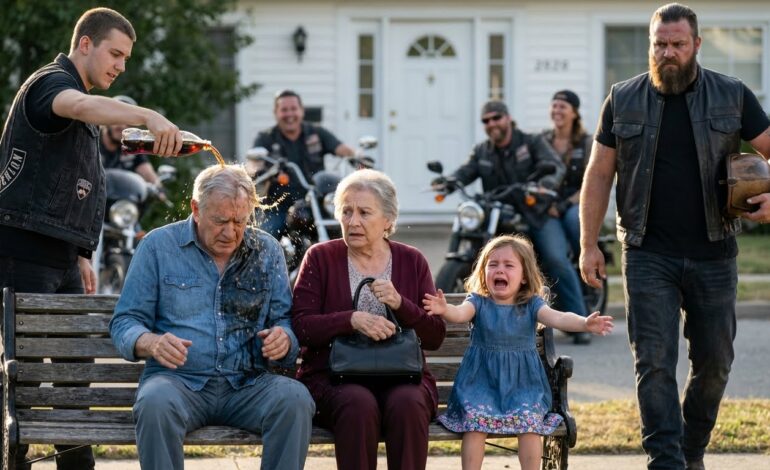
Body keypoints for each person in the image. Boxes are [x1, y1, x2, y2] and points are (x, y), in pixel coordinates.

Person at [579, 3, 770, 469]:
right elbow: (599, 174)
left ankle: (690, 450)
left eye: (678, 44)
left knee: (715, 364)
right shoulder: (622, 98)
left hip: (715, 251)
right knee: (654, 363)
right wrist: (588, 244)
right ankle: (665, 462)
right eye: (659, 44)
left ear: (696, 45)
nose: (668, 53)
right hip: (647, 253)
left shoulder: (732, 94)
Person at [0, 8, 183, 470]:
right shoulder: (51, 83)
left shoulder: (80, 94)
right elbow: (79, 107)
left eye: (126, 58)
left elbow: (69, 178)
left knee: (72, 378)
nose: (120, 65)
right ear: (85, 44)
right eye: (115, 53)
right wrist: (147, 115)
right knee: (21, 382)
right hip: (23, 250)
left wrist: (82, 252)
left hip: (60, 253)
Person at [109, 164, 314, 470]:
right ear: (196, 209)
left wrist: (284, 339)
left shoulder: (267, 250)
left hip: (248, 385)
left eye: (239, 221)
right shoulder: (157, 246)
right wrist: (150, 342)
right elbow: (124, 322)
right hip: (178, 382)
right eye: (220, 221)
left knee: (295, 399)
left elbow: (285, 320)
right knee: (154, 402)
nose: (230, 232)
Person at [291, 169, 446, 470]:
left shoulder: (412, 260)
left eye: (364, 212)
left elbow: (434, 336)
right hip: (333, 377)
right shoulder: (320, 257)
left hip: (403, 375)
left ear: (388, 219)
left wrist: (401, 304)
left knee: (408, 404)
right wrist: (351, 320)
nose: (353, 221)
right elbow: (302, 326)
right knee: (357, 404)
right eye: (346, 211)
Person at [422, 234, 613, 470]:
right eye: (493, 264)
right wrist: (445, 309)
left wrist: (584, 323)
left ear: (524, 276)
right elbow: (460, 314)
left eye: (509, 265)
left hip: (523, 388)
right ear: (483, 272)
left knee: (530, 425)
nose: (499, 269)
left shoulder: (531, 305)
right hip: (480, 386)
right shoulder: (478, 302)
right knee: (474, 424)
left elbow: (559, 317)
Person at [435, 100, 589, 336]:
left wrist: (542, 185)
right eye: (486, 120)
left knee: (555, 258)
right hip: (497, 212)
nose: (491, 123)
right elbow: (466, 171)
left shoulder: (531, 142)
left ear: (507, 118)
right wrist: (449, 182)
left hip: (535, 213)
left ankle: (581, 323)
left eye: (496, 118)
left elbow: (554, 166)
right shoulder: (482, 151)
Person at [253, 89, 356, 238]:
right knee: (264, 238)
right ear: (276, 113)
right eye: (284, 110)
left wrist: (358, 157)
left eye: (293, 109)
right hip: (279, 205)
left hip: (315, 203)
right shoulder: (266, 138)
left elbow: (342, 149)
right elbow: (253, 164)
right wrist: (258, 169)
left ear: (301, 111)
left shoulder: (315, 133)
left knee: (344, 230)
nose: (289, 114)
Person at [538, 90, 594, 344]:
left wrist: (563, 204)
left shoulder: (586, 142)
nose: (557, 110)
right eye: (554, 105)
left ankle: (581, 321)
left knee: (573, 220)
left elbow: (591, 183)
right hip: (547, 207)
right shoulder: (542, 140)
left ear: (574, 112)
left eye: (563, 106)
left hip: (575, 203)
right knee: (554, 257)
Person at [99, 95, 164, 189]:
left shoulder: (132, 146)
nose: (122, 126)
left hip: (122, 197)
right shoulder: (91, 140)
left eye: (128, 122)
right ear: (107, 119)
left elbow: (147, 172)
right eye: (117, 119)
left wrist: (158, 189)